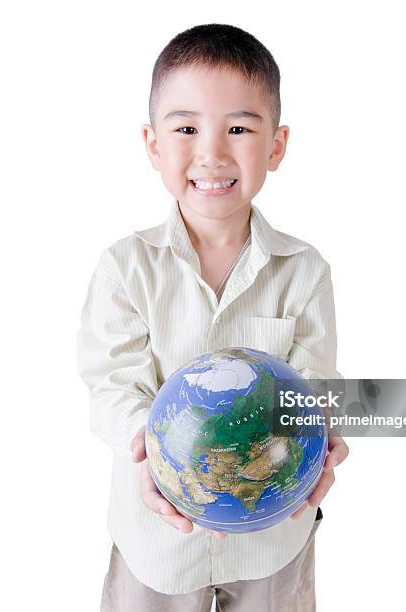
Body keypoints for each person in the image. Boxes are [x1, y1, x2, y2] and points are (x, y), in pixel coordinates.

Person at [76, 23, 349, 612]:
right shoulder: (127, 268)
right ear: (153, 144)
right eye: (186, 128)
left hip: (272, 537)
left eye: (239, 128)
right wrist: (149, 449)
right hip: (157, 542)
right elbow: (110, 387)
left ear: (275, 145)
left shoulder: (304, 271)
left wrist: (325, 437)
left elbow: (313, 389)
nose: (212, 153)